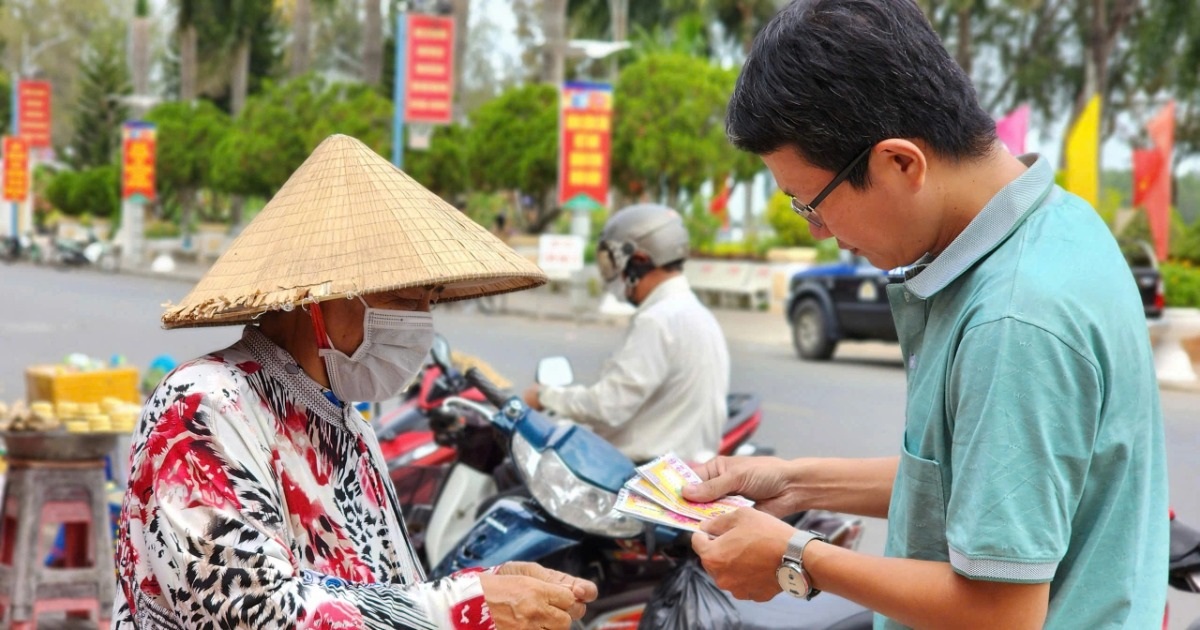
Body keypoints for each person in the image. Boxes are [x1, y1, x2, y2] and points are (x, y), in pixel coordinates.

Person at [685, 1, 1168, 628]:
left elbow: (1002, 611)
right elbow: (991, 482)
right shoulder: (1060, 223)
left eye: (811, 205)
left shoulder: (1014, 320)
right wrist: (794, 483)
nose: (822, 233)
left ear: (900, 162)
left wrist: (797, 557)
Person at [114, 134, 597, 630]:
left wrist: (493, 585)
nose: (422, 325)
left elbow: (379, 595)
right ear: (319, 296)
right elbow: (248, 609)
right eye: (407, 302)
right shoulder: (204, 405)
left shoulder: (343, 420)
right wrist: (465, 604)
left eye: (429, 303)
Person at [523, 203, 730, 463]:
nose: (613, 276)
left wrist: (545, 396)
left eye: (612, 263)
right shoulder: (698, 314)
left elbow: (608, 406)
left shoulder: (657, 321)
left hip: (644, 475)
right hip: (682, 467)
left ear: (639, 260)